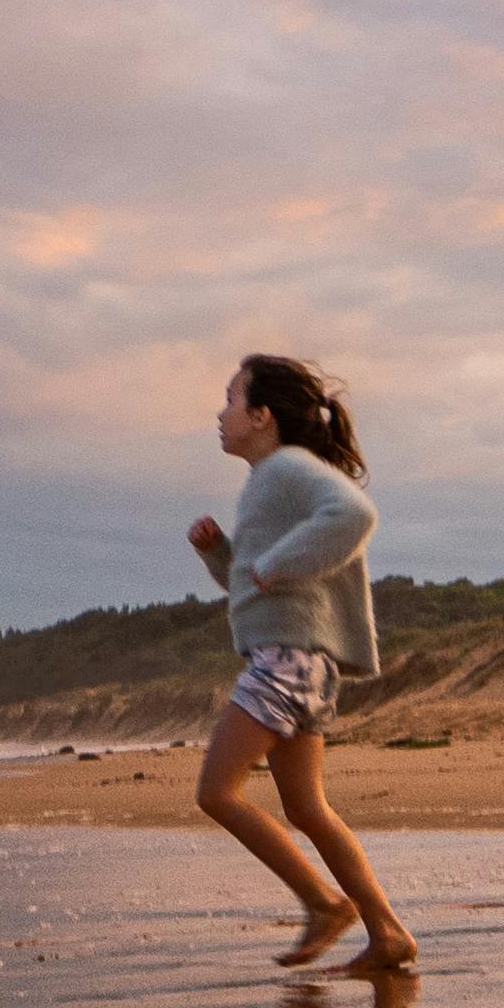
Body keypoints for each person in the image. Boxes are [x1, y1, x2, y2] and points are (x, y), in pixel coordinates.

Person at [185, 351, 419, 970]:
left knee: (217, 793)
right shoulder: (269, 479)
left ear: (261, 416)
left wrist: (275, 563)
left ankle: (323, 902)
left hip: (287, 663)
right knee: (307, 809)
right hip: (303, 663)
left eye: (231, 399)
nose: (221, 412)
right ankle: (388, 931)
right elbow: (259, 585)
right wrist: (222, 556)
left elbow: (354, 514)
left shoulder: (287, 467)